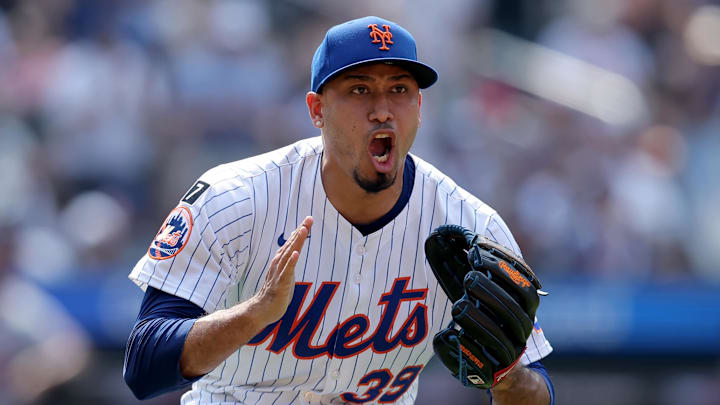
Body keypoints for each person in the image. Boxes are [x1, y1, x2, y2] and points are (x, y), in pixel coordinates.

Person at [124, 16, 554, 405]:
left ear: (419, 109)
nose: (382, 110)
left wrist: (507, 375)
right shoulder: (237, 198)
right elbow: (143, 364)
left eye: (400, 89)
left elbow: (536, 391)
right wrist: (255, 313)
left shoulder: (471, 226)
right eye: (360, 89)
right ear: (317, 110)